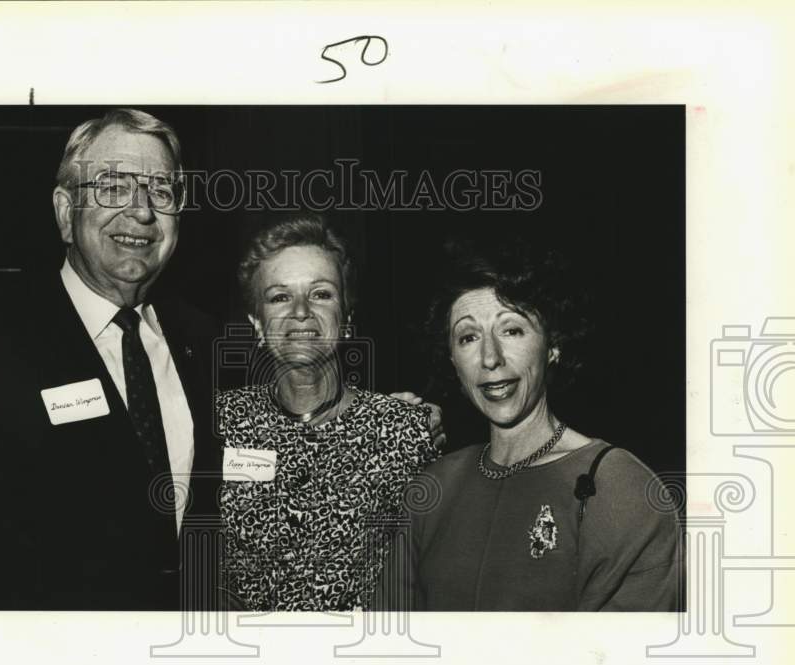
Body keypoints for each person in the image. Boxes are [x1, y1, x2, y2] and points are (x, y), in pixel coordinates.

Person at [0, 108, 220, 609]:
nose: (141, 212)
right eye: (113, 187)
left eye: (161, 191)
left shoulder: (207, 344)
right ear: (63, 212)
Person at [411, 238, 680, 611]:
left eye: (512, 330)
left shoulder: (620, 488)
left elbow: (623, 661)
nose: (490, 358)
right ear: (453, 361)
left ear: (553, 345)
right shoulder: (433, 487)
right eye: (468, 337)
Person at [216, 213, 441, 611]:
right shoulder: (220, 422)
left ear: (348, 316)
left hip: (361, 662)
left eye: (321, 293)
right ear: (256, 323)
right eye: (279, 296)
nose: (301, 311)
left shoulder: (402, 429)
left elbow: (431, 574)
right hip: (248, 660)